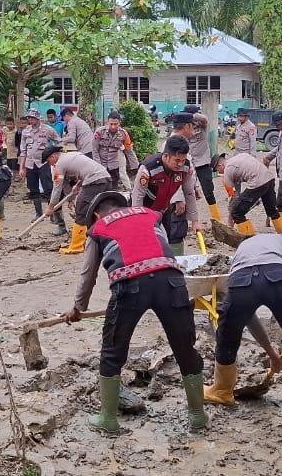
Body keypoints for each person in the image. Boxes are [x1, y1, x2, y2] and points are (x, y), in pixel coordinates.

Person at [61, 191, 208, 433]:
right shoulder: (150, 215)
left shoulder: (98, 229)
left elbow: (88, 274)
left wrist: (78, 308)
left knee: (112, 351)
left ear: (96, 214)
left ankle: (108, 419)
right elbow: (162, 248)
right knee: (185, 347)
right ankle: (197, 415)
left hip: (129, 286)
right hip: (171, 282)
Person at [202, 233, 282, 431]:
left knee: (227, 337)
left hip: (240, 282)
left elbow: (248, 317)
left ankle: (222, 392)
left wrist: (272, 354)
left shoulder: (241, 253)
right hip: (279, 279)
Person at [131, 135, 199, 254]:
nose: (180, 164)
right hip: (144, 211)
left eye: (183, 160)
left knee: (165, 243)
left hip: (164, 210)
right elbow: (137, 197)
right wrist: (139, 223)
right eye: (177, 160)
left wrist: (195, 221)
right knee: (144, 246)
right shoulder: (148, 168)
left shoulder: (186, 168)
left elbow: (189, 193)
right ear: (166, 156)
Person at [44, 147, 114, 254]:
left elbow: (57, 188)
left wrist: (50, 207)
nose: (51, 165)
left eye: (49, 162)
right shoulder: (72, 155)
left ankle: (77, 246)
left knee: (81, 210)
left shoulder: (59, 165)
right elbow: (85, 171)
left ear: (53, 157)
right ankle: (103, 239)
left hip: (94, 182)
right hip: (106, 178)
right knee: (99, 211)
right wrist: (72, 197)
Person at [19, 108, 65, 234]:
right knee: (33, 189)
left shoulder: (47, 129)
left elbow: (59, 142)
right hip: (30, 164)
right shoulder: (25, 131)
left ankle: (53, 214)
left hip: (43, 163)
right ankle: (38, 213)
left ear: (38, 118)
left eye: (33, 118)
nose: (31, 120)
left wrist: (53, 153)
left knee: (49, 189)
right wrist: (22, 167)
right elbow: (23, 150)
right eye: (29, 118)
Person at [216, 153, 282, 235]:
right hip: (269, 178)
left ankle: (249, 238)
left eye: (217, 170)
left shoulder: (227, 170)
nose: (218, 172)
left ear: (220, 165)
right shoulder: (240, 156)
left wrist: (230, 222)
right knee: (272, 211)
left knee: (237, 213)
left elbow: (233, 197)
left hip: (257, 183)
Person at [180, 106, 221, 223]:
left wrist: (193, 115)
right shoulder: (185, 127)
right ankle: (186, 220)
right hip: (188, 163)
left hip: (202, 162)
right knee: (186, 191)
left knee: (208, 192)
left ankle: (217, 219)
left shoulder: (202, 125)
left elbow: (204, 118)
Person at [92, 111, 139, 188]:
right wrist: (98, 166)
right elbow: (94, 150)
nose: (113, 127)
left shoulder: (124, 134)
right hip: (101, 166)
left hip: (114, 167)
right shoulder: (99, 132)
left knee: (113, 189)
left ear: (119, 123)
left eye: (115, 124)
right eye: (111, 124)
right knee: (101, 189)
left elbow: (129, 151)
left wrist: (136, 166)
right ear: (107, 122)